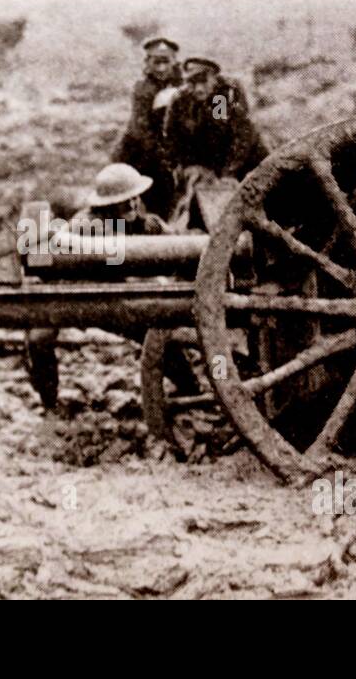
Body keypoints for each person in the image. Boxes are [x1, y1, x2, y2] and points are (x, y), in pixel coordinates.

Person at [25, 163, 198, 411]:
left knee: (157, 334)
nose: (132, 205)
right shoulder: (85, 224)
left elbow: (180, 249)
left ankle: (191, 388)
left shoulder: (146, 223)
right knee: (39, 338)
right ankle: (49, 403)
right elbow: (56, 244)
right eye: (124, 200)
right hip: (75, 296)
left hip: (117, 299)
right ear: (106, 204)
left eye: (135, 197)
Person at [163, 57, 268, 223]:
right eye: (192, 83)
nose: (198, 89)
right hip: (206, 167)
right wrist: (186, 166)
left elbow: (235, 137)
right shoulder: (180, 100)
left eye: (203, 82)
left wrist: (228, 172)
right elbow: (171, 140)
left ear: (214, 78)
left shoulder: (223, 95)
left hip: (243, 161)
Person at [112, 37, 184, 218]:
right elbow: (141, 130)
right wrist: (166, 159)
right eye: (156, 62)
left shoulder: (186, 86)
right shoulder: (143, 88)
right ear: (147, 63)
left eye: (166, 61)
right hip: (139, 156)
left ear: (175, 62)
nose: (161, 68)